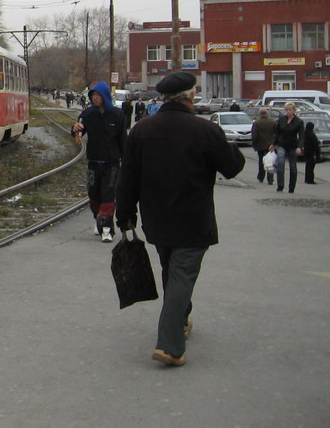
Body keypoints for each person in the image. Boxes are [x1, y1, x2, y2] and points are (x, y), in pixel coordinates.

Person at [116, 71, 245, 367]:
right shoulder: (205, 130)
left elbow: (127, 178)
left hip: (156, 220)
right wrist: (228, 145)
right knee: (181, 276)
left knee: (172, 272)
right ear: (190, 96)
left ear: (162, 97)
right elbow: (232, 167)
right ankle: (170, 346)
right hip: (193, 220)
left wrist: (125, 215)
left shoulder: (142, 130)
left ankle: (181, 320)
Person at [71, 81, 126, 242]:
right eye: (93, 95)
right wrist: (75, 130)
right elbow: (78, 134)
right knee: (94, 194)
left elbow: (123, 139)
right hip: (94, 161)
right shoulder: (88, 114)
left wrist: (126, 160)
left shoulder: (117, 114)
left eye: (98, 95)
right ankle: (99, 219)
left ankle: (107, 229)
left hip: (112, 162)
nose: (95, 98)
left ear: (105, 96)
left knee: (108, 195)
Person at [269, 102, 304, 193]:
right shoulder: (281, 119)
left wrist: (299, 147)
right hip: (281, 144)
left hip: (293, 145)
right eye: (286, 110)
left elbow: (301, 136)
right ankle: (280, 186)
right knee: (281, 163)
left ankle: (291, 187)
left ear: (294, 110)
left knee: (293, 167)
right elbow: (277, 133)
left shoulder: (299, 122)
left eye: (290, 110)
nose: (288, 111)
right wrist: (273, 144)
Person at [250, 108, 277, 185]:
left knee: (261, 161)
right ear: (267, 113)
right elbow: (276, 133)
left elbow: (254, 135)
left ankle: (261, 177)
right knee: (270, 161)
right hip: (270, 145)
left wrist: (254, 144)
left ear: (260, 114)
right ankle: (270, 179)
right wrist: (275, 144)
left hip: (260, 145)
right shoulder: (272, 122)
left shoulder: (257, 123)